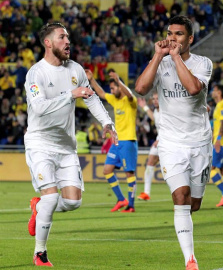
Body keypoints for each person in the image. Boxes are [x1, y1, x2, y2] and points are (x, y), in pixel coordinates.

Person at [24, 22, 117, 267]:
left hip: (66, 147)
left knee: (73, 202)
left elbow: (92, 98)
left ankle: (38, 207)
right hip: (40, 143)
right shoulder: (36, 72)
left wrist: (107, 123)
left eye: (68, 37)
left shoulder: (76, 69)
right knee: (52, 197)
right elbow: (39, 107)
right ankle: (40, 253)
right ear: (48, 42)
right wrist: (70, 95)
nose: (68, 41)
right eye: (62, 37)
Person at [135, 15, 213, 270]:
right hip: (170, 142)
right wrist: (158, 57)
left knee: (195, 203)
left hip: (199, 141)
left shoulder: (203, 63)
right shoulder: (161, 63)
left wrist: (176, 57)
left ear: (190, 38)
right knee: (181, 197)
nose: (172, 38)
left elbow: (193, 88)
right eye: (170, 33)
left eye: (178, 34)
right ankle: (190, 260)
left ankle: (185, 228)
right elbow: (141, 88)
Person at [85, 69, 138, 213]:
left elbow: (131, 95)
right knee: (107, 170)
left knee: (129, 174)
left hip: (128, 141)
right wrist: (91, 80)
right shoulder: (114, 100)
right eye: (111, 88)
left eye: (114, 88)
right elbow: (101, 94)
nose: (112, 90)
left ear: (120, 87)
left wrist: (119, 80)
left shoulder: (130, 101)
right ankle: (121, 199)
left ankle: (131, 205)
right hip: (117, 141)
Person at [137, 92, 160, 201]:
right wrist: (144, 106)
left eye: (157, 98)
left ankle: (182, 194)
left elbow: (171, 127)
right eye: (154, 98)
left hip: (168, 142)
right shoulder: (156, 111)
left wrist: (160, 139)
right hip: (159, 142)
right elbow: (154, 117)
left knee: (169, 170)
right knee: (150, 163)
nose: (155, 100)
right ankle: (146, 193)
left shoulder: (167, 111)